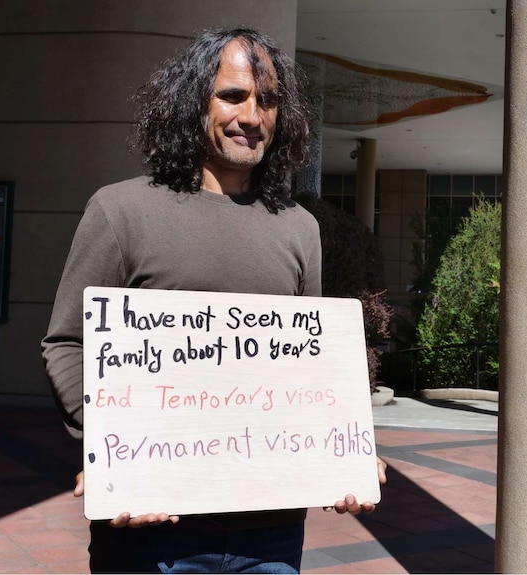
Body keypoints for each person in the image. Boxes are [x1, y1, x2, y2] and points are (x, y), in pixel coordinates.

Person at [41, 27, 386, 573]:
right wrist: (112, 451)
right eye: (233, 96)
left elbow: (310, 375)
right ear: (191, 103)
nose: (252, 116)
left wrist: (343, 455)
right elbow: (66, 344)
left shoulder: (300, 229)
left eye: (268, 101)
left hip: (271, 537)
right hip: (153, 533)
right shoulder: (120, 211)